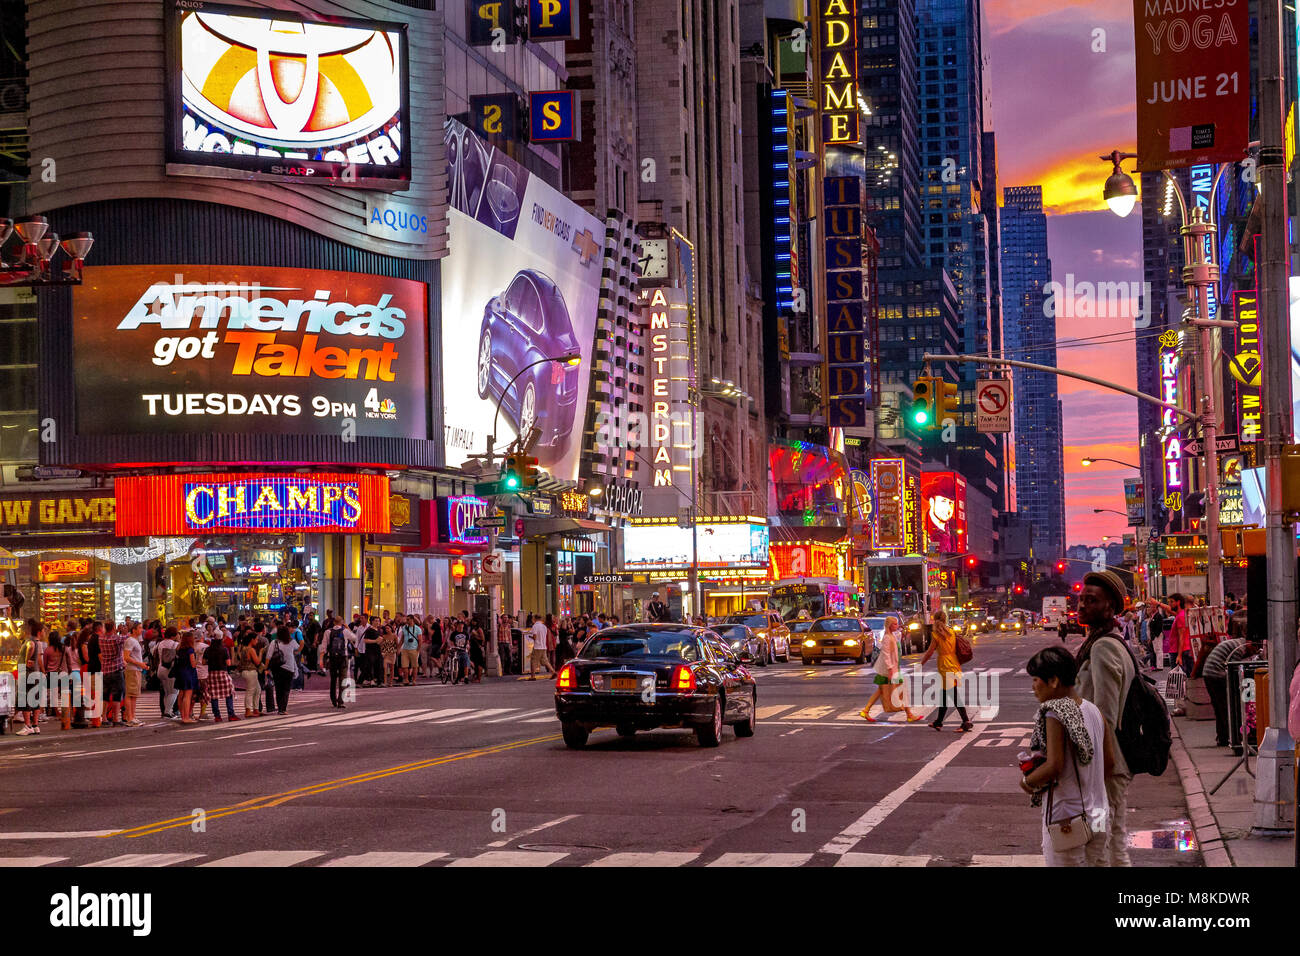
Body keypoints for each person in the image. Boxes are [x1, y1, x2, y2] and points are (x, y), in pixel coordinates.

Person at [1020, 645, 1112, 866]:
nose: (1033, 687)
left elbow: (1054, 766)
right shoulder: (1094, 711)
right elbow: (1109, 763)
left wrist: (1027, 781)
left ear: (1053, 681)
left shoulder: (1055, 711)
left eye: (1035, 680)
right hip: (1100, 814)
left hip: (1068, 819)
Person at [1074, 569, 1136, 867]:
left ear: (1110, 606)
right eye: (1081, 599)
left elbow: (1104, 717)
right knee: (1112, 843)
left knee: (1099, 848)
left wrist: (1098, 770)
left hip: (1106, 763)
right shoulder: (1104, 641)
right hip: (1107, 762)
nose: (1082, 605)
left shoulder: (1103, 647)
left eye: (1092, 600)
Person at [860, 616, 923, 723]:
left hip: (892, 668)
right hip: (889, 670)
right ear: (889, 625)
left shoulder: (892, 635)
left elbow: (898, 641)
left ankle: (866, 710)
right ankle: (909, 714)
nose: (897, 626)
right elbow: (886, 654)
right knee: (900, 690)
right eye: (895, 624)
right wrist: (890, 669)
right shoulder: (887, 638)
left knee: (881, 690)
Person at [1202, 636, 1259, 748]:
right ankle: (1230, 736)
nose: (1251, 654)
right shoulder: (1240, 649)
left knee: (1219, 707)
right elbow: (1233, 670)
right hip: (1216, 674)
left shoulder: (1237, 644)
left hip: (1209, 673)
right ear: (1250, 644)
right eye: (1253, 651)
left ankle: (1222, 737)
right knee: (1226, 707)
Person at [920, 609, 973, 732]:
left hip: (945, 665)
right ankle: (938, 722)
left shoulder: (936, 635)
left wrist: (921, 663)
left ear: (935, 620)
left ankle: (966, 721)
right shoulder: (952, 632)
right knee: (944, 695)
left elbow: (930, 652)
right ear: (945, 619)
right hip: (954, 664)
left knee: (953, 695)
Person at [15, 621, 44, 735]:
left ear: (26, 631)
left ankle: (27, 726)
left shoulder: (30, 641)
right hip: (34, 674)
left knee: (24, 699)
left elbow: (30, 647)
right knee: (35, 699)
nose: (17, 633)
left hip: (26, 673)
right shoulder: (37, 642)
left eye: (19, 630)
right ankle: (35, 725)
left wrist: (27, 659)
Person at [203, 633, 240, 722]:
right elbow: (228, 663)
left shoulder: (208, 649)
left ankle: (217, 716)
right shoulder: (224, 649)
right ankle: (231, 715)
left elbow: (204, 662)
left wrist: (211, 662)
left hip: (212, 674)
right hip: (222, 673)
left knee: (214, 695)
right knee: (229, 693)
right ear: (220, 640)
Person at [98, 619, 126, 727]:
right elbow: (126, 638)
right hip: (116, 670)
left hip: (105, 670)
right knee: (116, 696)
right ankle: (115, 718)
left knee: (105, 695)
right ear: (114, 627)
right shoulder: (117, 639)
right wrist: (122, 631)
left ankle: (104, 717)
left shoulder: (101, 638)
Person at [267, 626, 298, 715]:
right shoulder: (292, 642)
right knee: (286, 689)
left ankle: (280, 708)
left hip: (277, 668)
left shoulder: (274, 642)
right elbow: (298, 649)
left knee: (278, 688)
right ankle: (283, 708)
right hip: (289, 668)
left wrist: (267, 667)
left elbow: (269, 656)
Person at [122, 623, 148, 727]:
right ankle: (130, 718)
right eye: (140, 628)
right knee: (130, 694)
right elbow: (126, 657)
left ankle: (133, 716)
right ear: (134, 630)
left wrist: (141, 665)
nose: (141, 630)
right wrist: (140, 664)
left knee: (134, 695)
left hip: (136, 669)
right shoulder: (130, 641)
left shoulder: (135, 640)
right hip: (132, 669)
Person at [172, 632, 200, 724]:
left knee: (181, 694)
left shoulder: (179, 648)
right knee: (187, 695)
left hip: (180, 672)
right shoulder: (190, 650)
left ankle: (183, 715)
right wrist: (198, 659)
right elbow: (193, 664)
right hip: (188, 673)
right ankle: (186, 717)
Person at [324, 622, 351, 708]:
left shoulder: (328, 632)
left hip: (332, 657)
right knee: (342, 679)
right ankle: (341, 701)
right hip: (343, 657)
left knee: (333, 679)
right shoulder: (345, 631)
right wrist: (348, 628)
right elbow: (354, 638)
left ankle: (333, 700)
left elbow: (324, 646)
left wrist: (322, 658)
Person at [239, 633, 263, 718]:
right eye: (256, 639)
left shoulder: (243, 648)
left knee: (258, 689)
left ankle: (256, 709)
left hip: (246, 672)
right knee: (250, 691)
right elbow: (257, 662)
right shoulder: (251, 649)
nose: (257, 641)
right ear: (252, 640)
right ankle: (248, 711)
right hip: (250, 672)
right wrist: (260, 653)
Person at [527, 613, 554, 680]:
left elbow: (535, 637)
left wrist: (531, 637)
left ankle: (532, 676)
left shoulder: (535, 626)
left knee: (533, 661)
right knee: (545, 661)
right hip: (543, 646)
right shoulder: (544, 626)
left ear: (535, 619)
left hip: (537, 646)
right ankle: (553, 672)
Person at [399, 615, 421, 686]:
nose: (407, 621)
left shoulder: (417, 629)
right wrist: (398, 648)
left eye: (408, 620)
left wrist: (418, 650)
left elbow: (420, 640)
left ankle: (414, 680)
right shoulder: (404, 628)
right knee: (404, 666)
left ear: (412, 620)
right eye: (406, 620)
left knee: (415, 666)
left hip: (414, 649)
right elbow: (402, 639)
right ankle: (406, 679)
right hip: (405, 649)